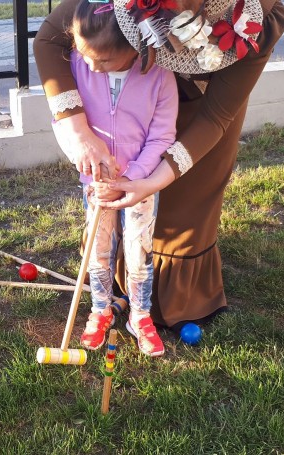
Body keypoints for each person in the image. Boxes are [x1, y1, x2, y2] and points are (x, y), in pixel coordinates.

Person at [35, 0, 284, 334]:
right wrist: (78, 130)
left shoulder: (253, 23)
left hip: (203, 115)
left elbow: (215, 117)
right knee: (124, 220)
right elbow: (49, 40)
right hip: (132, 113)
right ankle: (114, 287)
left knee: (185, 206)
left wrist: (154, 179)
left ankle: (162, 301)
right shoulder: (106, 19)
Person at [55, 1, 178, 356]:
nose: (91, 66)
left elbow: (162, 136)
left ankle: (139, 315)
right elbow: (63, 121)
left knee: (139, 251)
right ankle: (100, 309)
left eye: (104, 61)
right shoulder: (79, 64)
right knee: (98, 248)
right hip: (95, 183)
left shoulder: (159, 76)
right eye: (84, 55)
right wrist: (87, 162)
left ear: (133, 47)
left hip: (141, 183)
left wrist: (136, 176)